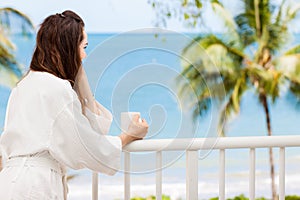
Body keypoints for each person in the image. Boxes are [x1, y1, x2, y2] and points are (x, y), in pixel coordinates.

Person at [0, 10, 148, 199]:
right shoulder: (57, 88)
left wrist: (81, 80)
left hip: (8, 182)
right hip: (35, 186)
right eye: (83, 47)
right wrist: (129, 136)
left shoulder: (23, 86)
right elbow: (87, 146)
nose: (84, 56)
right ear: (68, 48)